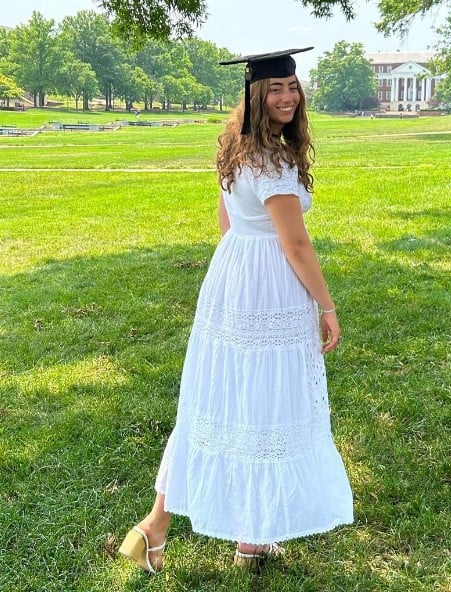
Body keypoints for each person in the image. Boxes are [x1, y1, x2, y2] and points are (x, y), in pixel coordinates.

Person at [118, 47, 353, 574]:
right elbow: (295, 244)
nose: (288, 97)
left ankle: (175, 527)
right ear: (256, 95)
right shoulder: (272, 160)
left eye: (292, 87)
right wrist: (326, 304)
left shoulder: (235, 146)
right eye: (276, 89)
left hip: (233, 278)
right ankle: (202, 529)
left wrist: (240, 276)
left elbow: (227, 222)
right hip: (267, 283)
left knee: (222, 399)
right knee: (262, 401)